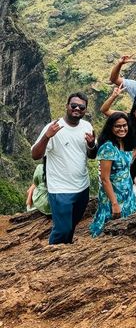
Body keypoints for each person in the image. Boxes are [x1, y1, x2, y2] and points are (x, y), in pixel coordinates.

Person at [31, 92, 97, 244]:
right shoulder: (54, 127)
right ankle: (52, 258)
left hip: (82, 187)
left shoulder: (87, 126)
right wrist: (47, 136)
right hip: (60, 189)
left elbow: (91, 155)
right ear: (67, 106)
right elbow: (35, 155)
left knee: (72, 226)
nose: (77, 109)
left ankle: (65, 254)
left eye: (81, 107)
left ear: (85, 110)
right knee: (62, 229)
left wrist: (92, 144)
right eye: (74, 105)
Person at [90, 112, 136, 237]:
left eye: (124, 125)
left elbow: (126, 167)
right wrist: (114, 203)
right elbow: (105, 179)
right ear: (111, 128)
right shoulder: (108, 148)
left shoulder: (126, 144)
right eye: (118, 126)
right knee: (109, 229)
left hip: (127, 194)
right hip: (113, 196)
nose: (122, 129)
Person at [100, 85, 136, 151]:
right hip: (115, 151)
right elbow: (104, 110)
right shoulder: (125, 117)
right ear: (134, 111)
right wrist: (114, 96)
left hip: (129, 157)